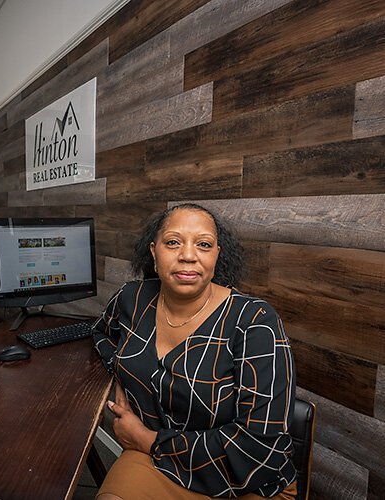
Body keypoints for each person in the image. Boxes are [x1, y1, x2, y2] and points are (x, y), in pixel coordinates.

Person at [93, 203, 296, 500]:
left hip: (246, 481)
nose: (188, 255)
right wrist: (120, 373)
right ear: (153, 251)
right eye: (173, 242)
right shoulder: (132, 298)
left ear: (217, 254)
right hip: (156, 465)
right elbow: (101, 334)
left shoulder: (255, 321)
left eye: (203, 244)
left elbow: (261, 450)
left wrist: (146, 439)